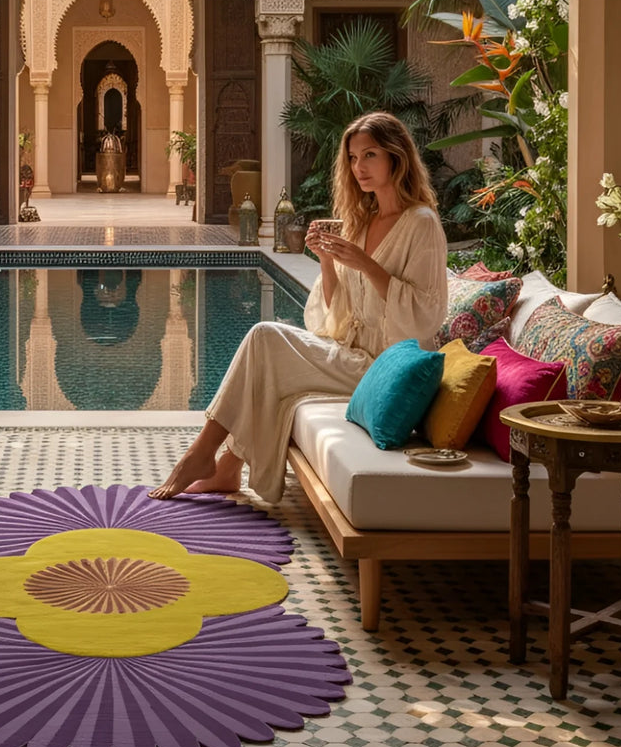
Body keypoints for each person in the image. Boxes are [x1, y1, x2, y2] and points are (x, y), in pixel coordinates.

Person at [150, 110, 448, 504]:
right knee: (265, 346)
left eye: (370, 155)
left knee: (266, 344)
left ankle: (207, 457)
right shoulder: (362, 221)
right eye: (353, 158)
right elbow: (337, 317)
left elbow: (426, 315)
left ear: (397, 156)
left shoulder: (421, 223)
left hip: (385, 368)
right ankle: (222, 465)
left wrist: (365, 265)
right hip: (351, 356)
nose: (359, 167)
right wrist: (327, 262)